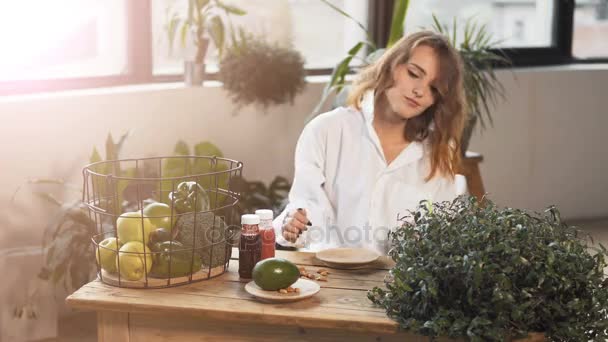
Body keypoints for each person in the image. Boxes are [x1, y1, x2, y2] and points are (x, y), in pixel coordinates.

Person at [272, 31, 469, 255]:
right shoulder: (326, 131)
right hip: (330, 279)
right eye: (414, 73)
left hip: (400, 286)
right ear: (392, 65)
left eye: (434, 88)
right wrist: (294, 225)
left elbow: (442, 239)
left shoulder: (437, 154)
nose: (420, 91)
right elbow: (307, 208)